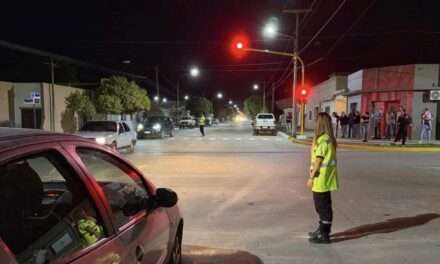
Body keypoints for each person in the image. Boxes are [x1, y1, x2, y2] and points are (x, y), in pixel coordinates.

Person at [307, 112, 339, 244]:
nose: (315, 123)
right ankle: (321, 229)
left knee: (323, 207)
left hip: (321, 179)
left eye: (316, 121)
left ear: (320, 124)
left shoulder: (323, 141)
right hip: (325, 179)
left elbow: (319, 161)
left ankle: (324, 235)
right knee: (321, 207)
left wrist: (311, 178)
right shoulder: (327, 139)